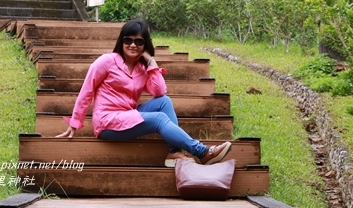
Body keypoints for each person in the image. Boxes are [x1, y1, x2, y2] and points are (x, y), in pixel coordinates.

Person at [56, 19, 231, 167]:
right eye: (128, 40)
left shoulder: (142, 69)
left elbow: (159, 91)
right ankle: (202, 152)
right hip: (108, 122)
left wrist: (151, 61)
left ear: (145, 45)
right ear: (121, 41)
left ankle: (174, 153)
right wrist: (75, 122)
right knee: (159, 119)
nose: (133, 45)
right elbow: (87, 90)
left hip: (129, 116)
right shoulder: (106, 61)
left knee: (164, 102)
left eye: (139, 41)